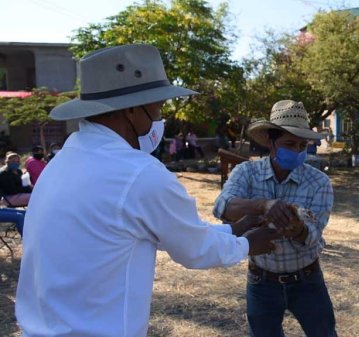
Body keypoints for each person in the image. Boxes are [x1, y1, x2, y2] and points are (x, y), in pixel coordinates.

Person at [15, 44, 279, 337]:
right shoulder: (139, 173)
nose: (158, 117)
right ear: (131, 110)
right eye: (156, 107)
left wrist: (233, 231)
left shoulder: (63, 161)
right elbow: (194, 250)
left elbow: (164, 230)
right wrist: (248, 244)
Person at [213, 100, 337, 337]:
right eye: (289, 144)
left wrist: (297, 228)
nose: (297, 151)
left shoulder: (319, 182)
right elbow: (222, 207)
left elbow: (313, 236)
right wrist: (263, 206)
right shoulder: (246, 173)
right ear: (271, 141)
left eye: (302, 145)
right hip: (262, 281)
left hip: (307, 280)